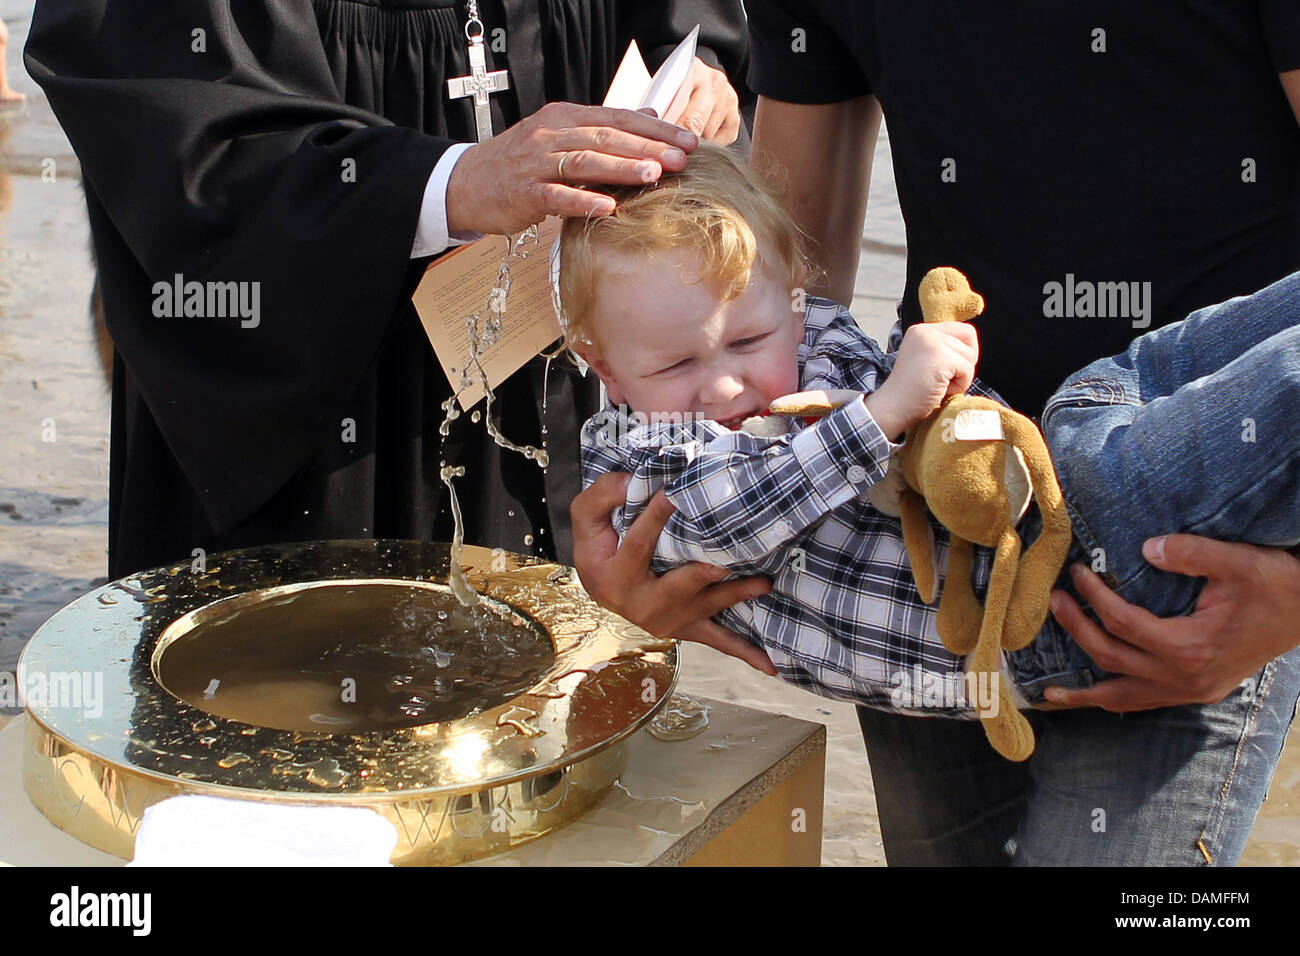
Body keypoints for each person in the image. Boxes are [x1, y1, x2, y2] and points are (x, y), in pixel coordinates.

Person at [569, 2, 1300, 864]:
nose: (727, 377)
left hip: (1182, 559)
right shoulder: (714, 395)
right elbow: (788, 262)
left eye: (746, 346)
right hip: (929, 535)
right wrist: (658, 557)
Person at [558, 142, 1300, 751]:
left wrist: (943, 396)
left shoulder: (805, 329)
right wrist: (882, 414)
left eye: (749, 340)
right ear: (608, 370)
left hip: (1056, 447)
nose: (723, 387)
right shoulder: (639, 461)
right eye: (677, 366)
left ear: (793, 295)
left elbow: (885, 385)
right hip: (1050, 607)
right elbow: (725, 513)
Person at [23, 0, 751, 580]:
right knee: (300, 701)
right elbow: (159, 99)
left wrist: (697, 73)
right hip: (306, 380)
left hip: (545, 334)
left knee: (543, 672)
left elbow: (684, 22)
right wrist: (445, 185)